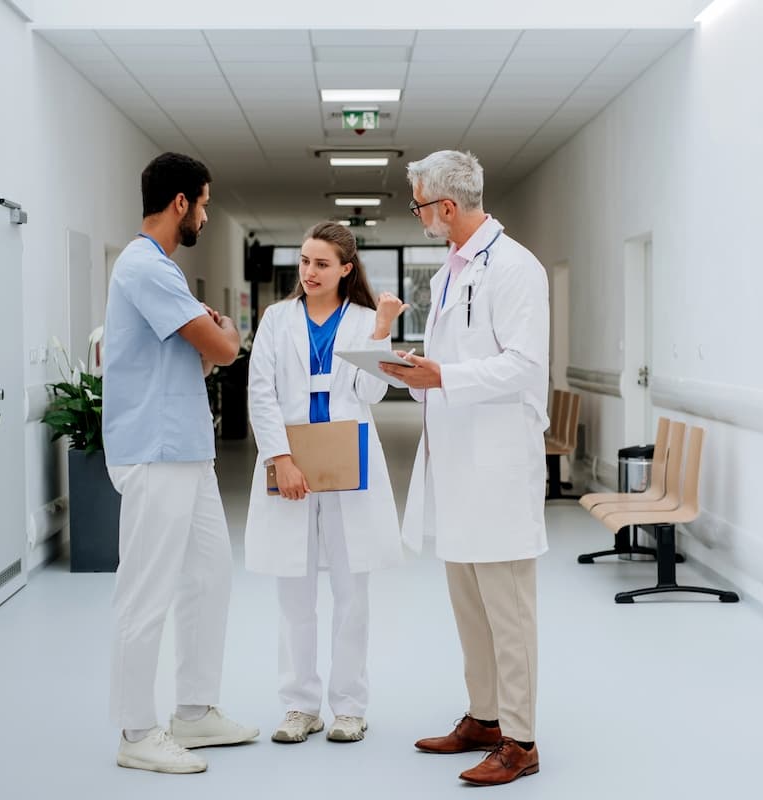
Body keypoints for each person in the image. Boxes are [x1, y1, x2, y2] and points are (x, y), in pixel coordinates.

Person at [380, 150, 550, 786]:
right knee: (470, 606)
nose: (419, 215)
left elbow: (527, 366)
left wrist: (443, 374)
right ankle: (484, 718)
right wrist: (417, 371)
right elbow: (456, 360)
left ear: (445, 207)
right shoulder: (450, 272)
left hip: (498, 467)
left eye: (420, 205)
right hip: (455, 464)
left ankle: (522, 740)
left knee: (508, 610)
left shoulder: (515, 268)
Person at [102, 152, 259, 775]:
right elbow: (222, 346)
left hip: (187, 452)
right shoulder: (146, 267)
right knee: (146, 591)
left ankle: (193, 713)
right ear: (180, 203)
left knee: (210, 575)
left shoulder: (160, 270)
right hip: (155, 452)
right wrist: (225, 332)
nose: (206, 215)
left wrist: (215, 337)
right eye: (205, 203)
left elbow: (190, 357)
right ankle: (137, 730)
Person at [244, 221, 408, 745]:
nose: (309, 272)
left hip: (348, 460)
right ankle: (299, 706)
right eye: (305, 261)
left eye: (321, 263)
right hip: (291, 458)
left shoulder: (362, 320)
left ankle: (349, 707)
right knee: (294, 590)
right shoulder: (276, 319)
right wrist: (280, 459)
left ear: (345, 269)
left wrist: (382, 329)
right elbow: (261, 393)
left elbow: (370, 392)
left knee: (351, 589)